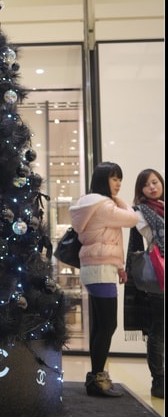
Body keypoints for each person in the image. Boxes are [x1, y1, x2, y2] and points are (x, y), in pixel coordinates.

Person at [69, 162, 138, 397]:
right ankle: (97, 377)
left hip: (98, 268)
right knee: (108, 325)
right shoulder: (104, 206)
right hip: (99, 270)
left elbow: (109, 237)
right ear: (102, 180)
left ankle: (96, 377)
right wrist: (119, 201)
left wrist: (118, 266)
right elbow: (132, 219)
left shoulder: (92, 205)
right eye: (114, 178)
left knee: (101, 325)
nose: (118, 184)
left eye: (120, 179)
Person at [124, 169, 164, 399]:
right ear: (141, 190)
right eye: (147, 184)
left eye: (155, 182)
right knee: (159, 329)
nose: (152, 187)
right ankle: (159, 381)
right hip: (158, 276)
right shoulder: (139, 213)